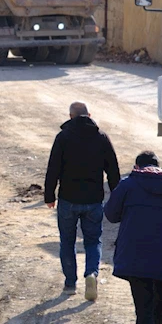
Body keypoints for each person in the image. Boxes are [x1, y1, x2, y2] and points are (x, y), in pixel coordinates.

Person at [44, 101, 120, 300]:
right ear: (89, 114)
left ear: (70, 116)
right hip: (94, 200)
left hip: (68, 199)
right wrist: (117, 196)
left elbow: (53, 168)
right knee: (93, 240)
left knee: (67, 242)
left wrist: (49, 195)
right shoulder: (101, 137)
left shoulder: (63, 137)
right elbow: (112, 169)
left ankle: (70, 284)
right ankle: (91, 274)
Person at [105, 151, 162, 324]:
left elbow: (111, 214)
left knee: (143, 309)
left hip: (136, 257)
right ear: (159, 168)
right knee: (161, 303)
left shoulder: (128, 185)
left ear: (137, 167)